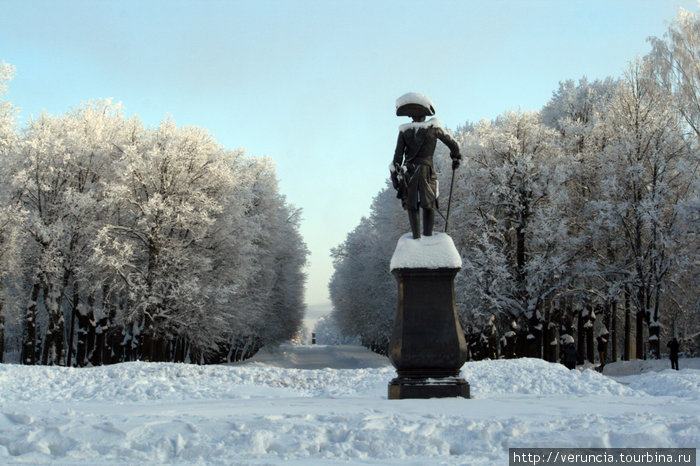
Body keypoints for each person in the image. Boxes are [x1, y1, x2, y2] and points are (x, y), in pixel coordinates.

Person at [391, 92, 462, 239]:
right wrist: (455, 157)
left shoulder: (405, 131)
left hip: (409, 171)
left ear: (411, 116)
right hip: (427, 171)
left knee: (412, 205)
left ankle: (416, 237)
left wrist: (395, 172)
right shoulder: (434, 129)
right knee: (428, 203)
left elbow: (398, 157)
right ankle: (428, 236)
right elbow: (453, 145)